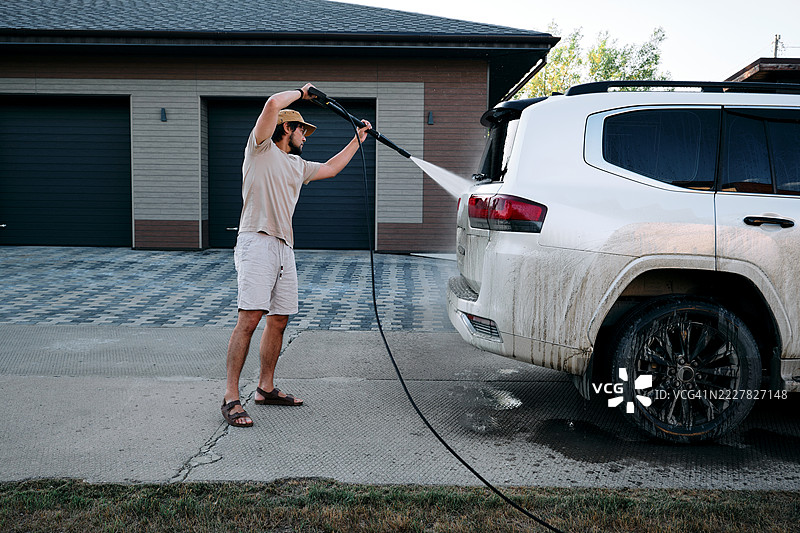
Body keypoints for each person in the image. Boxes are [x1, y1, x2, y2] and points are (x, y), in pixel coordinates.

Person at [221, 83, 372, 427]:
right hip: (256, 242)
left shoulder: (296, 165)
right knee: (250, 318)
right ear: (287, 128)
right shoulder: (259, 149)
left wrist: (357, 140)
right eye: (303, 129)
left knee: (279, 319)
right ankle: (231, 397)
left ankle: (265, 388)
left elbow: (331, 169)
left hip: (284, 247)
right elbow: (273, 102)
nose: (306, 136)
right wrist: (302, 92)